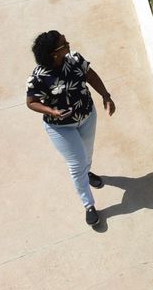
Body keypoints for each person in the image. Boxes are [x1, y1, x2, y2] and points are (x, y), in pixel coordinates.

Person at [25, 31, 116, 226]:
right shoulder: (39, 77)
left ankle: (88, 172)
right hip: (60, 127)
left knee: (87, 152)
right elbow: (31, 102)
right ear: (53, 54)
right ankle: (88, 205)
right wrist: (51, 111)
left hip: (87, 116)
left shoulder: (74, 59)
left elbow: (90, 76)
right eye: (64, 44)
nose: (68, 45)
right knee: (77, 163)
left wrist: (106, 96)